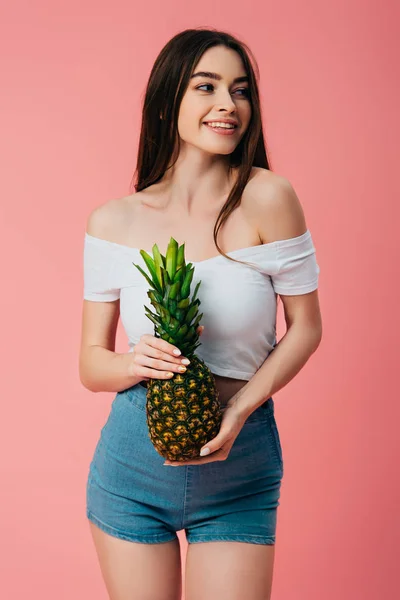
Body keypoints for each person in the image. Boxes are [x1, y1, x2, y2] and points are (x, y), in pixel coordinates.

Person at [79, 27, 322, 600]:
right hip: (132, 461)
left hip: (241, 460)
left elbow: (307, 328)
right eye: (205, 86)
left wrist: (237, 410)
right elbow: (91, 366)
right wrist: (137, 361)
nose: (227, 105)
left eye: (240, 91)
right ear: (168, 102)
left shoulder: (268, 197)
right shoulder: (113, 220)